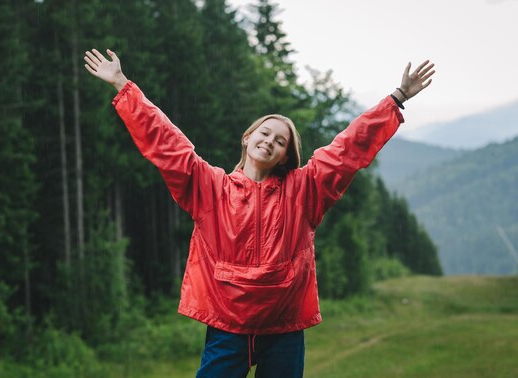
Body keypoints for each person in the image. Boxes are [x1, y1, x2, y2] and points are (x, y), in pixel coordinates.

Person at [84, 48, 434, 378]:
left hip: (283, 329)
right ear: (248, 138)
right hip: (226, 327)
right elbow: (166, 144)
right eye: (265, 133)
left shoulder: (305, 190)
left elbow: (346, 150)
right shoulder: (211, 188)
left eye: (280, 141)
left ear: (285, 156)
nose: (270, 141)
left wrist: (397, 99)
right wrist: (122, 85)